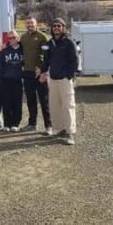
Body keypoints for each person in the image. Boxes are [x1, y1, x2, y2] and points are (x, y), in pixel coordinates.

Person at [38, 17, 79, 145]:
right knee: (55, 106)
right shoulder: (50, 43)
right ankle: (60, 128)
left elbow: (75, 60)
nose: (56, 28)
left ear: (63, 28)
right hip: (53, 80)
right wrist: (43, 72)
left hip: (65, 80)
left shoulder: (69, 42)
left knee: (68, 106)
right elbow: (46, 61)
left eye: (59, 26)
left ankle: (70, 133)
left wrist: (69, 75)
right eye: (54, 26)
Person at [20, 17, 52, 134]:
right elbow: (21, 53)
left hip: (40, 74)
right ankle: (32, 124)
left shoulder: (42, 37)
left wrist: (43, 70)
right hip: (27, 73)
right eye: (27, 23)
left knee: (44, 100)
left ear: (36, 24)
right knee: (30, 100)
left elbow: (47, 56)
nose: (29, 25)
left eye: (31, 23)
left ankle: (49, 126)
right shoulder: (23, 37)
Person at [0, 30, 24, 132]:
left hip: (17, 80)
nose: (11, 40)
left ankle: (15, 124)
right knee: (6, 103)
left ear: (18, 38)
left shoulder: (22, 50)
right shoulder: (4, 51)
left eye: (13, 37)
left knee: (17, 103)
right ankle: (7, 124)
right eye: (9, 38)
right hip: (6, 80)